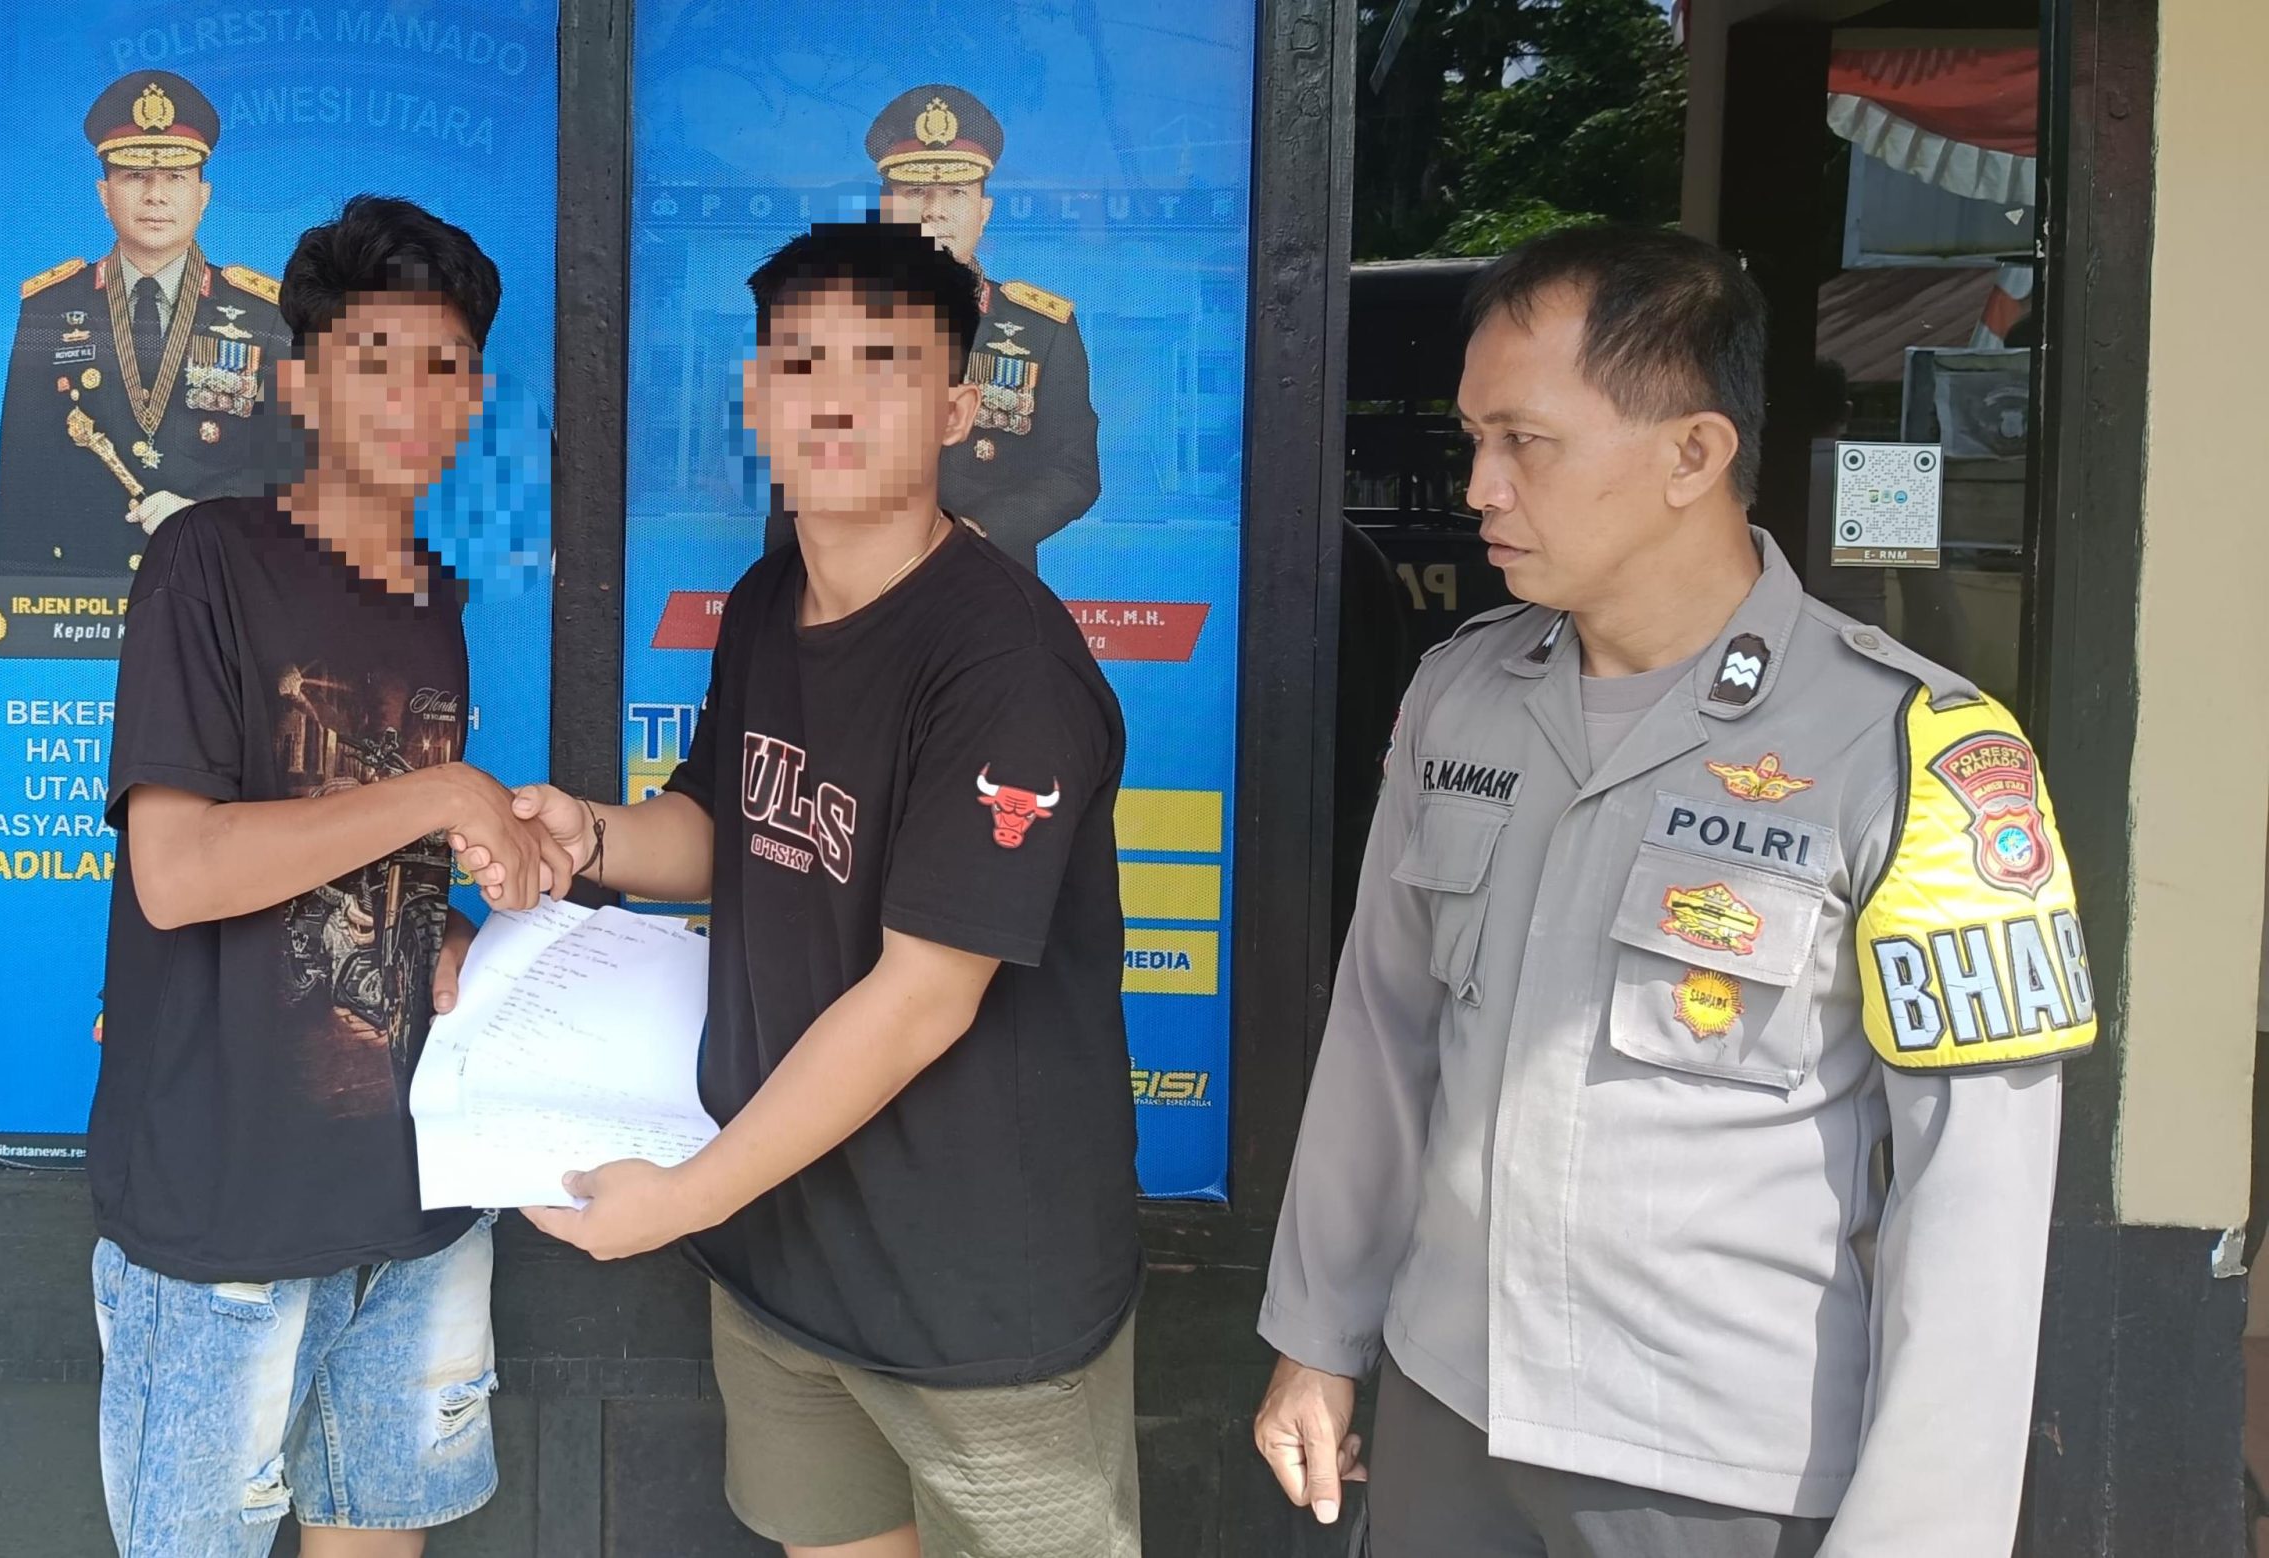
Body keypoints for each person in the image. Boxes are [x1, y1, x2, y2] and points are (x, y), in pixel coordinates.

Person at [1252, 226, 2097, 1558]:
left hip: (1714, 1465)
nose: (1478, 486)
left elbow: (1974, 1199)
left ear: (1693, 455)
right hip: (1443, 1413)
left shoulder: (1915, 752)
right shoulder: (1460, 695)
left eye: (1525, 441)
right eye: (1473, 438)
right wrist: (1319, 1334)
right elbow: (1384, 1035)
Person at [459, 220, 1144, 1558]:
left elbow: (922, 998)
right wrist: (587, 836)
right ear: (757, 396)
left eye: (885, 363)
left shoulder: (1005, 664)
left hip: (976, 1293)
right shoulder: (771, 599)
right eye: (800, 361)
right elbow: (725, 824)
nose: (834, 397)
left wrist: (688, 1195)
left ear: (957, 409)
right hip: (787, 1255)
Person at [89, 195, 553, 1558]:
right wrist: (446, 797)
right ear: (299, 382)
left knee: (383, 1534)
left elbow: (364, 861)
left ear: (477, 393)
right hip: (225, 1208)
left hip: (413, 1198)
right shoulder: (208, 562)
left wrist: (452, 933)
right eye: (373, 359)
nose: (412, 397)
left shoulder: (432, 599)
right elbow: (178, 871)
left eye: (445, 364)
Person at [764, 86, 1101, 571]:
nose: (934, 210)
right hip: (855, 577)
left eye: (956, 193)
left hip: (985, 576)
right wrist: (783, 593)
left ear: (983, 212)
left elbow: (1073, 471)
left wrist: (981, 531)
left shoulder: (1042, 330)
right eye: (915, 192)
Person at [0, 70, 292, 576]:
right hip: (82, 585)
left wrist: (209, 517)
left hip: (211, 578)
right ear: (104, 193)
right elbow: (23, 476)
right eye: (135, 176)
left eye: (176, 178)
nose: (156, 196)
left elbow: (288, 476)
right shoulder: (50, 305)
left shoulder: (265, 314)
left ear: (204, 196)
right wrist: (17, 599)